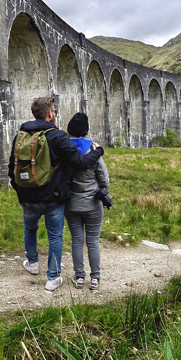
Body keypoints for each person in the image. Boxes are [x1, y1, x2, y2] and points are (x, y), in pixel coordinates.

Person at [8, 97, 105, 292]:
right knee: (55, 237)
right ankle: (53, 278)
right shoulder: (58, 136)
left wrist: (19, 192)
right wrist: (99, 150)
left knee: (30, 230)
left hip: (28, 195)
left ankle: (33, 263)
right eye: (54, 111)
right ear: (50, 114)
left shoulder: (21, 135)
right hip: (53, 197)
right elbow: (81, 162)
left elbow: (12, 168)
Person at [64, 112, 109, 290]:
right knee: (92, 241)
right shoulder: (93, 150)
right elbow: (103, 177)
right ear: (86, 130)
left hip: (72, 203)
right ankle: (95, 278)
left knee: (76, 240)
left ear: (69, 130)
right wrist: (104, 195)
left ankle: (79, 276)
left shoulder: (65, 150)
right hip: (92, 203)